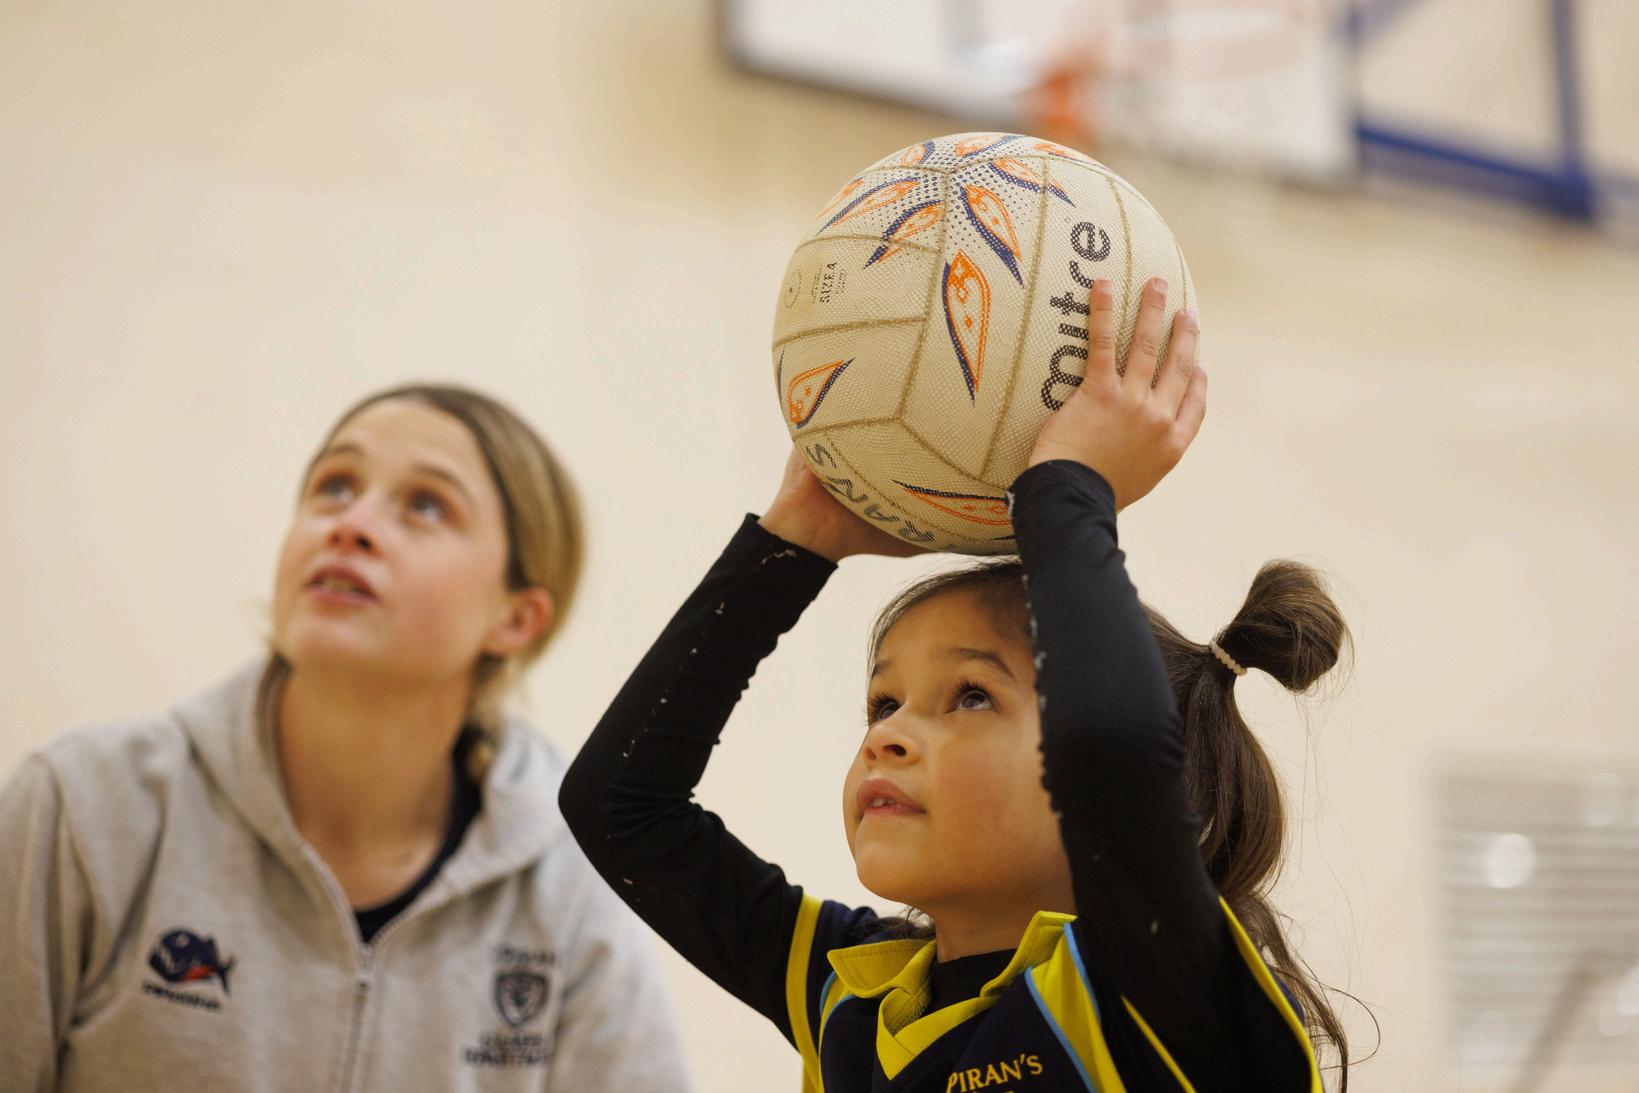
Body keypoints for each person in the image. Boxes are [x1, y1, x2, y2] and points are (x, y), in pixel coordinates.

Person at [560, 277, 1354, 1091]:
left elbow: (1110, 747)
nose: (886, 735)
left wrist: (1071, 487)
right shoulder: (848, 999)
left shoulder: (1160, 995)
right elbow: (619, 807)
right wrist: (795, 539)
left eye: (971, 695)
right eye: (883, 701)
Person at [0, 384, 689, 1092]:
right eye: (334, 486)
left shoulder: (570, 883)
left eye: (427, 505)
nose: (352, 524)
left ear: (515, 618)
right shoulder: (81, 808)